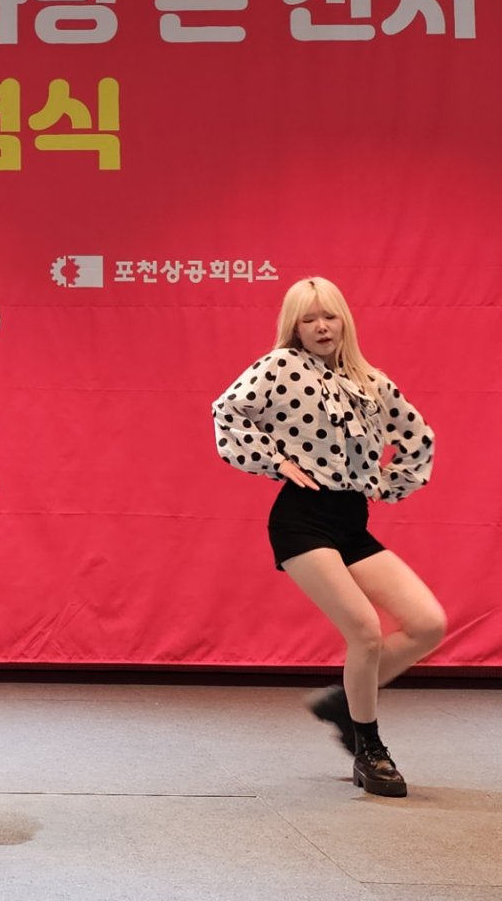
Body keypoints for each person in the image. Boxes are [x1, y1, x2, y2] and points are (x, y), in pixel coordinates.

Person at [211, 276, 446, 797]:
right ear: (294, 326)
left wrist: (387, 483)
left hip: (351, 521)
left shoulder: (370, 381)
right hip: (301, 519)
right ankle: (369, 747)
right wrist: (273, 460)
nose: (321, 327)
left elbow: (418, 436)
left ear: (345, 321)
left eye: (329, 316)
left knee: (428, 624)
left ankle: (344, 701)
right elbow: (227, 410)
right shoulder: (280, 367)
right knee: (364, 630)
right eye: (309, 319)